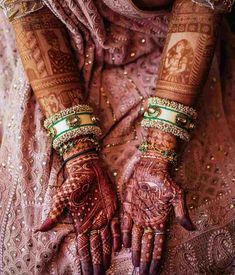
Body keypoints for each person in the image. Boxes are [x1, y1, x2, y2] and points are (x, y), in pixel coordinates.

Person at [0, 0, 234, 274]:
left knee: (180, 237)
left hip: (168, 48)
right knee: (43, 239)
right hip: (54, 50)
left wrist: (158, 155)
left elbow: (198, 6)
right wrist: (79, 155)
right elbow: (31, 13)